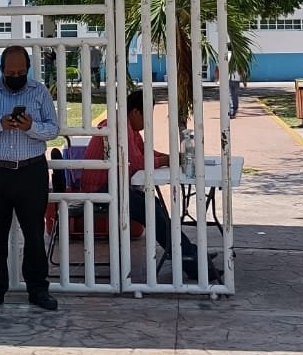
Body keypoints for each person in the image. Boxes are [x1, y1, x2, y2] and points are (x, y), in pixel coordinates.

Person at [79, 91, 219, 284]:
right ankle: (190, 261)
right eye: (147, 115)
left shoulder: (128, 128)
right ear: (136, 112)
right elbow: (136, 162)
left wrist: (169, 158)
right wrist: (166, 160)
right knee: (151, 210)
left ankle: (188, 253)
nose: (148, 122)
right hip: (99, 191)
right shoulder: (119, 127)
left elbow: (144, 152)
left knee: (153, 205)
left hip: (111, 188)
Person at [0, 45, 60, 312]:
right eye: (12, 72)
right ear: (2, 70)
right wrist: (0, 123)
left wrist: (31, 127)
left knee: (33, 234)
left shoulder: (39, 92)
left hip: (31, 172)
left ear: (28, 69)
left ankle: (38, 289)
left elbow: (53, 129)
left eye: (21, 72)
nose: (16, 75)